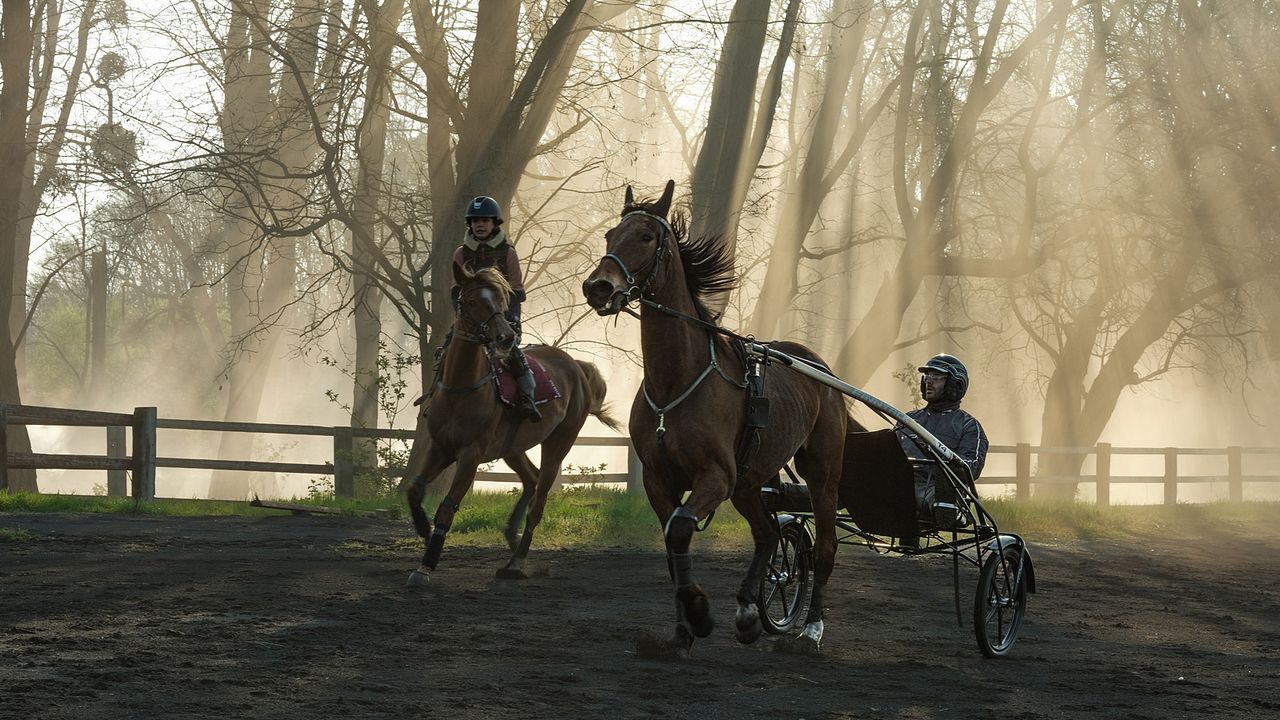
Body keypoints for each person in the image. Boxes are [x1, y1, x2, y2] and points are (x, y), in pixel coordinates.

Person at [450, 195, 541, 422]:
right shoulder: (460, 253)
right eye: (475, 221)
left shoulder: (508, 253)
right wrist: (461, 318)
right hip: (470, 319)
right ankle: (435, 398)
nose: (480, 225)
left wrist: (511, 322)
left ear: (494, 223)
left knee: (514, 357)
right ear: (469, 224)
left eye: (485, 220)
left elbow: (516, 292)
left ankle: (527, 399)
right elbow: (456, 292)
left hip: (501, 318)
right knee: (446, 355)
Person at [895, 353, 988, 529]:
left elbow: (972, 467)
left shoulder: (968, 425)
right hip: (902, 485)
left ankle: (947, 511)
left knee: (943, 488)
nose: (929, 382)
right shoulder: (908, 420)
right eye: (927, 377)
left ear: (955, 384)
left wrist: (945, 465)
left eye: (936, 377)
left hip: (941, 490)